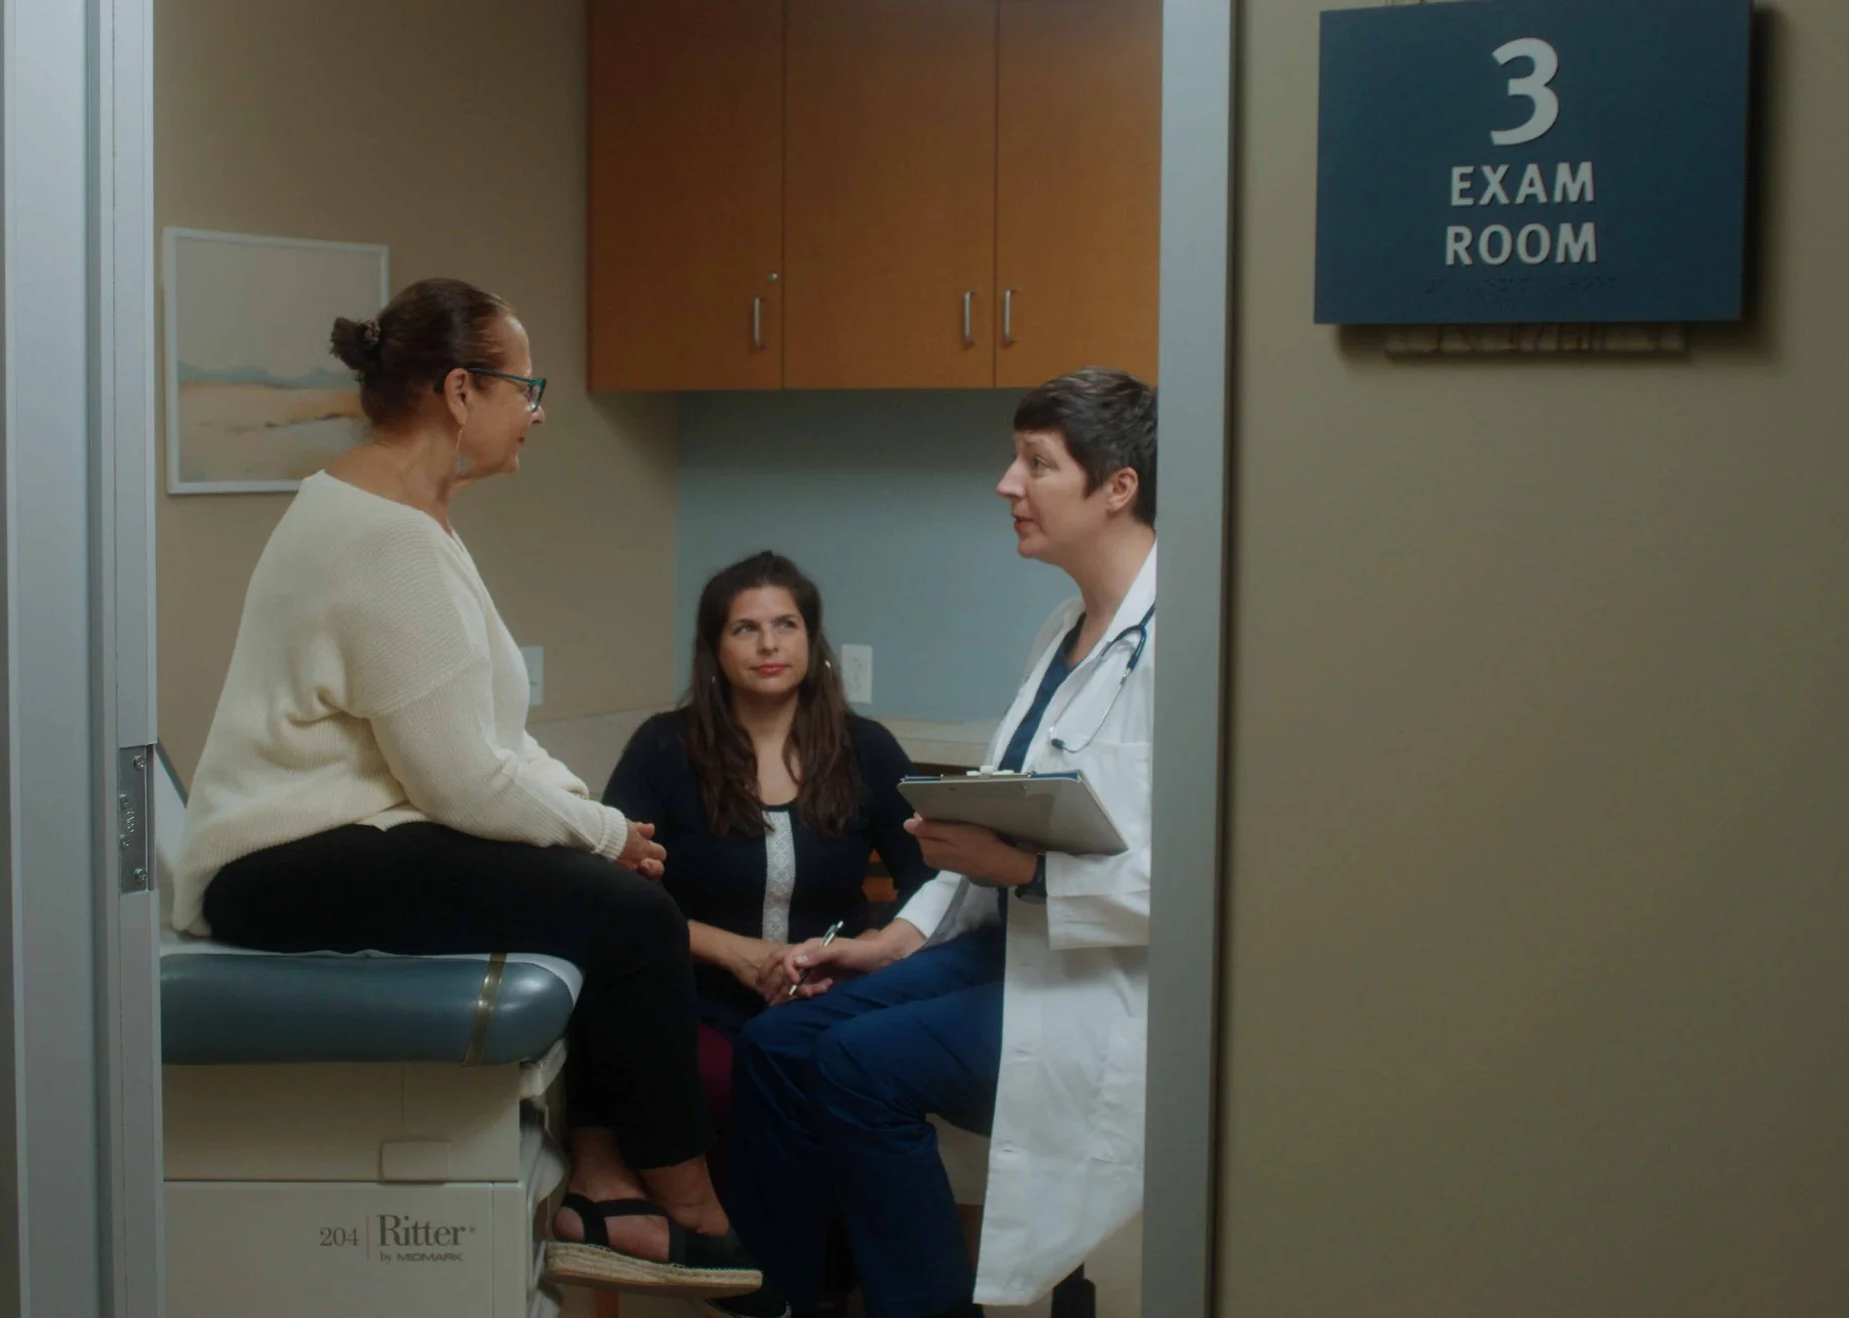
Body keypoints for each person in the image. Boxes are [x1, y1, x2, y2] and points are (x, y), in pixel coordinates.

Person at [170, 277, 776, 1310]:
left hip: (338, 837)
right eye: (524, 386)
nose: (534, 412)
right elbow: (458, 776)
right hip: (276, 865)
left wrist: (589, 819)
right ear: (460, 390)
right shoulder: (383, 538)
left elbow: (491, 737)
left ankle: (596, 1181)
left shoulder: (398, 515)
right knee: (629, 914)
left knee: (605, 900)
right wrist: (598, 836)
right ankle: (687, 1202)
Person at [727, 368, 1160, 1318]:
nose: (1009, 484)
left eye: (1036, 464)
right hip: (1010, 949)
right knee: (776, 1043)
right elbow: (996, 832)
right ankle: (789, 1300)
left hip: (1109, 986)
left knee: (855, 1066)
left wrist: (1031, 874)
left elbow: (1199, 882)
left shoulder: (1185, 641)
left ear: (1117, 485)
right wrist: (893, 941)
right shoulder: (1064, 632)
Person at [601, 552, 935, 1183]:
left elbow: (932, 875)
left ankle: (832, 1274)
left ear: (812, 640)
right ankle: (727, 1263)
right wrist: (738, 954)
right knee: (723, 1086)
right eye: (744, 629)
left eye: (786, 625)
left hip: (837, 997)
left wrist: (870, 947)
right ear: (714, 649)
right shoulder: (663, 749)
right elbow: (614, 894)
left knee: (847, 1089)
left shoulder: (866, 748)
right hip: (697, 997)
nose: (768, 644)